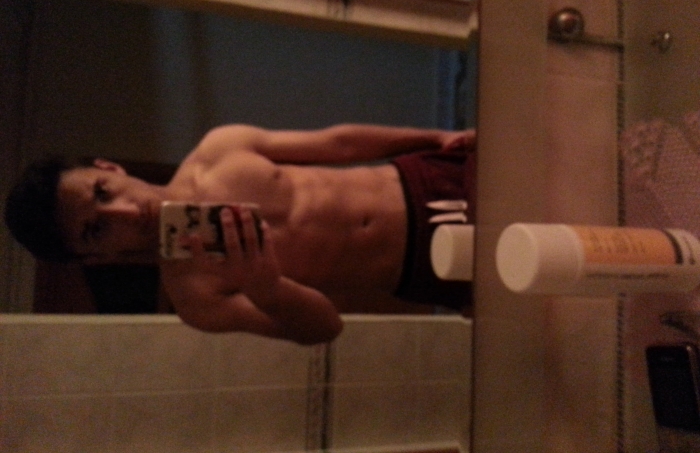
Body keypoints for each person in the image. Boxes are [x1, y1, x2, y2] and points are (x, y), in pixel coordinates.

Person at [5, 124, 476, 345]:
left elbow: (339, 143)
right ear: (95, 258)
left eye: (103, 192)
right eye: (97, 229)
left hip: (431, 179)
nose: (128, 212)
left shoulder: (218, 150)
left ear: (109, 168)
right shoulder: (195, 297)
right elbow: (325, 328)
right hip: (422, 267)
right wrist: (266, 288)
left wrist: (432, 138)